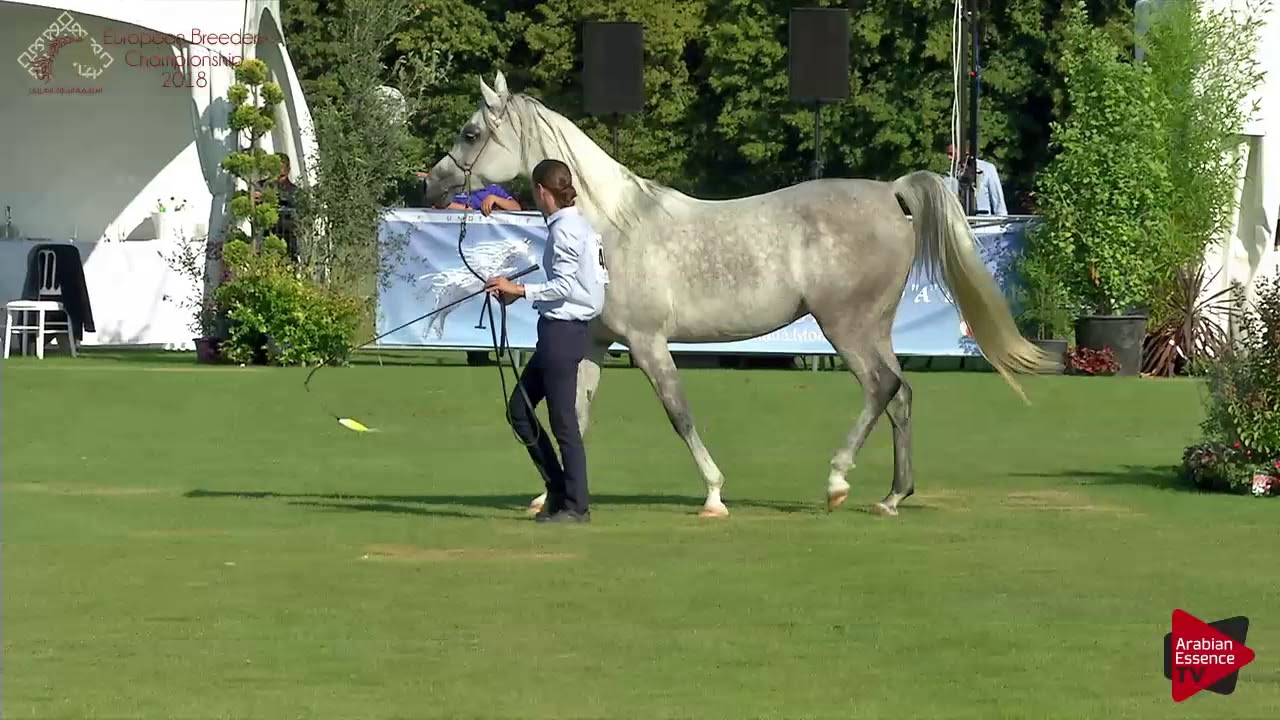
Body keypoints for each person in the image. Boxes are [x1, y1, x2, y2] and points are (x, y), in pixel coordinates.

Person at [483, 159, 609, 523]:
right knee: (520, 411)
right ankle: (558, 490)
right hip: (560, 330)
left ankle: (576, 505)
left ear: (541, 191)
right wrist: (516, 292)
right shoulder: (576, 224)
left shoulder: (566, 230)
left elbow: (566, 287)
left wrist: (518, 289)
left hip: (564, 332)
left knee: (563, 423)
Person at [943, 144, 1008, 216]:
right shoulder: (949, 173)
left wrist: (1002, 221)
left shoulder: (987, 169)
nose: (949, 157)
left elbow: (998, 201)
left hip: (982, 223)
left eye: (952, 154)